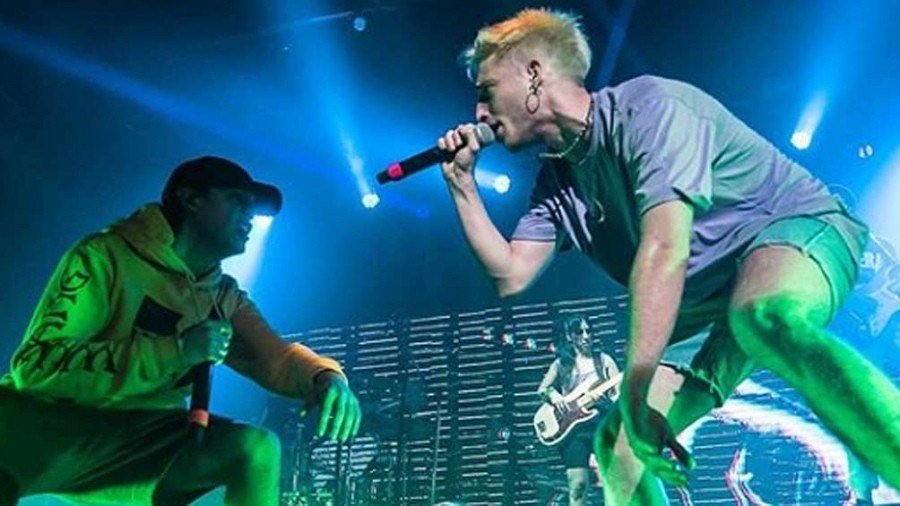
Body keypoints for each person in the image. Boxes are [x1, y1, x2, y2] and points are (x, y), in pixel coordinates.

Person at [434, 7, 900, 505]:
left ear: (534, 74)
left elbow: (665, 249)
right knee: (618, 449)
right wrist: (462, 184)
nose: (479, 113)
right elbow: (510, 274)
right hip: (709, 306)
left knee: (764, 315)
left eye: (486, 92)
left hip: (791, 229)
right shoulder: (558, 183)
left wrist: (636, 394)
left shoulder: (650, 108)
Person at [0, 156, 362, 506]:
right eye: (237, 201)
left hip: (135, 444)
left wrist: (325, 376)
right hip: (40, 432)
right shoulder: (103, 255)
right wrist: (176, 352)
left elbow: (275, 360)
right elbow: (35, 365)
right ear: (191, 200)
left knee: (255, 449)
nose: (249, 217)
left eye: (252, 209)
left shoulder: (223, 297)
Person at [537, 314, 620, 506]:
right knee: (577, 485)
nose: (585, 336)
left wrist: (608, 400)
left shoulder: (604, 361)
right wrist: (554, 395)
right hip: (573, 432)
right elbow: (543, 389)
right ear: (569, 336)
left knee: (613, 481)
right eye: (579, 332)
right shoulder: (561, 364)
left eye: (588, 331)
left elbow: (619, 395)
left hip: (601, 427)